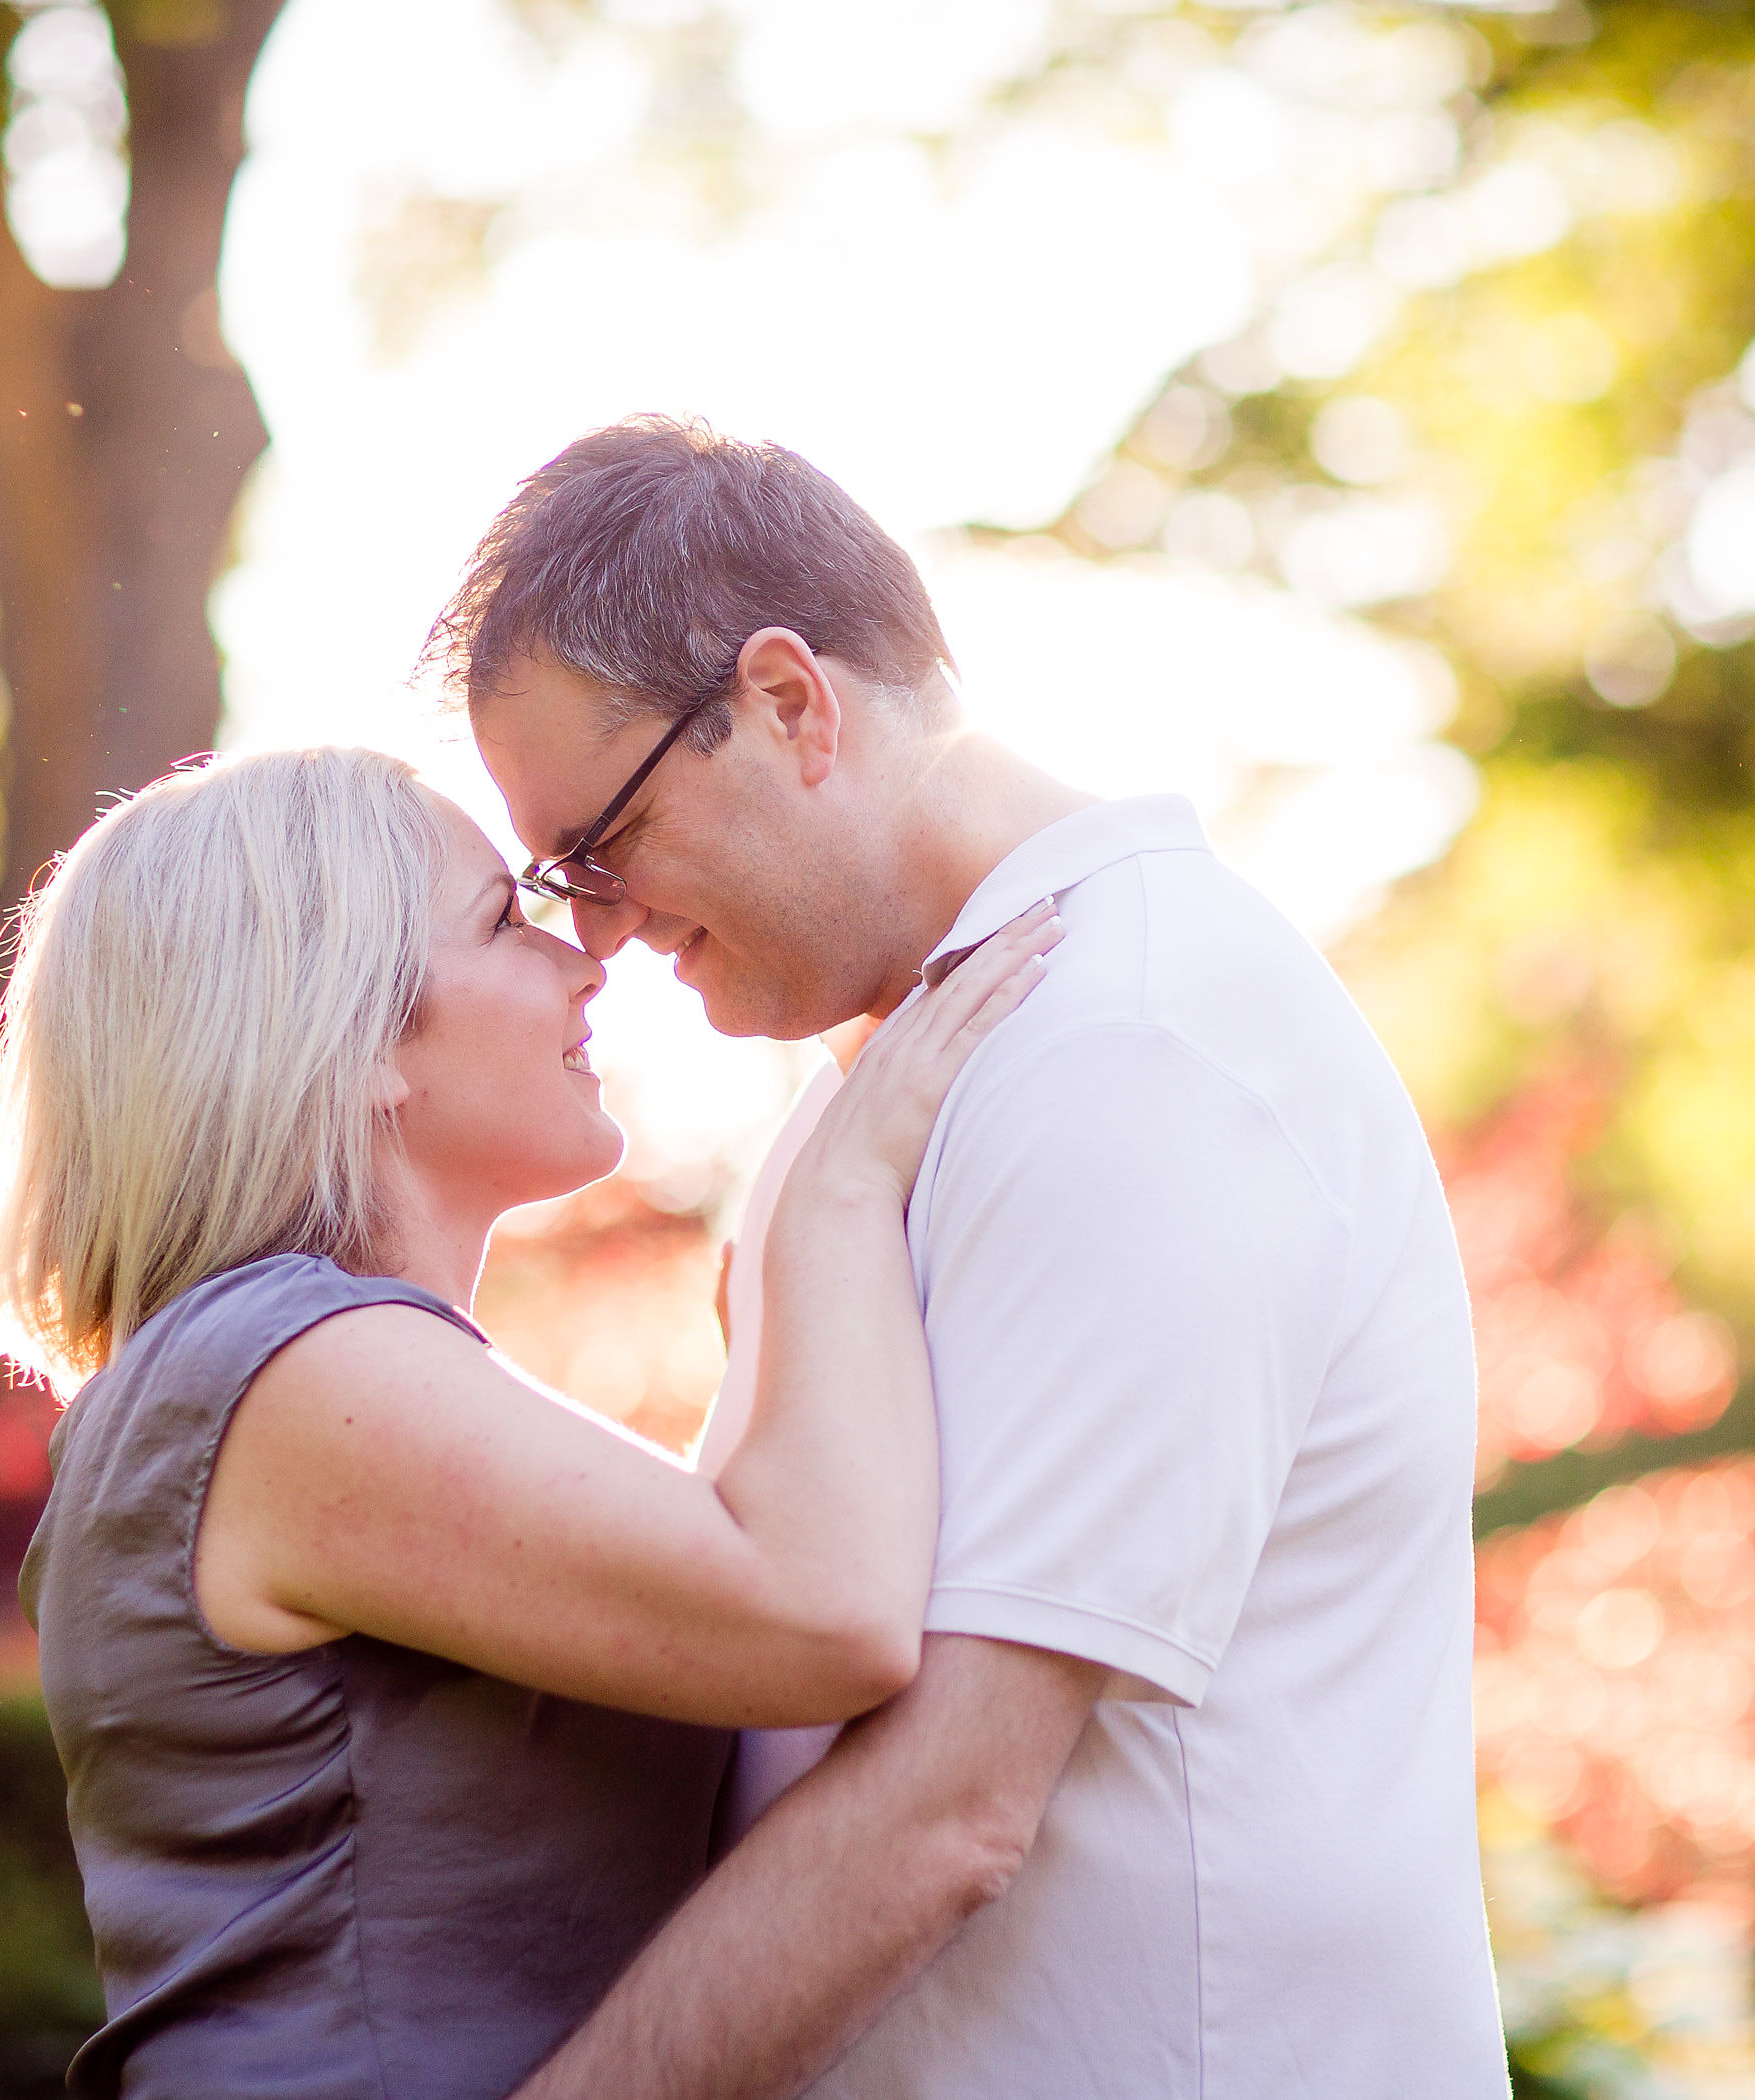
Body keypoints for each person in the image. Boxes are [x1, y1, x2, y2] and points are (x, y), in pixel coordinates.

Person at [436, 416, 1511, 2099]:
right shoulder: (899, 1081)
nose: (594, 933)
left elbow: (951, 1808)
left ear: (790, 705)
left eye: (603, 846)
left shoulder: (1132, 1052)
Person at [0, 744, 1059, 2100]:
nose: (589, 959)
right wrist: (833, 1193)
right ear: (346, 1041)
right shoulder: (279, 1374)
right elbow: (828, 1612)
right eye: (503, 921)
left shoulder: (277, 1373)